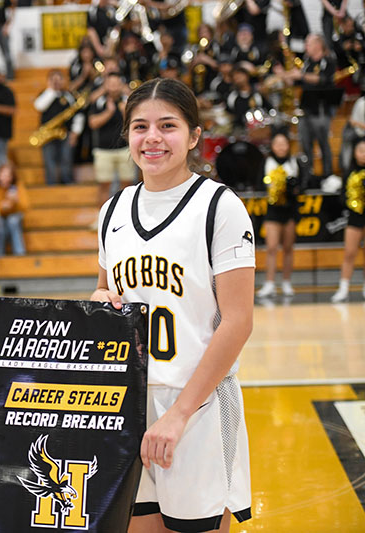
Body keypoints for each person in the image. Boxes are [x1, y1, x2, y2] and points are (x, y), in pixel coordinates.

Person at [90, 78, 254, 533]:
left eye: (168, 125)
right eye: (140, 126)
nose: (153, 138)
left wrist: (179, 414)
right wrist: (100, 302)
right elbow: (106, 293)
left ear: (194, 136)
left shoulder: (220, 207)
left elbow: (238, 323)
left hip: (196, 407)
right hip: (129, 408)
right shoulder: (113, 210)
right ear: (127, 135)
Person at [284, 34, 338, 178]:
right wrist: (285, 76)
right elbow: (299, 82)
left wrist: (300, 76)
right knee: (305, 144)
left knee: (323, 143)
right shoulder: (307, 62)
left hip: (321, 109)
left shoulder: (328, 60)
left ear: (318, 45)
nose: (305, 46)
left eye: (308, 43)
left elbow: (322, 79)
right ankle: (308, 177)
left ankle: (328, 175)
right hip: (306, 108)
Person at [257, 132, 301, 298]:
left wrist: (292, 188)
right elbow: (259, 185)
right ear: (272, 146)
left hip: (289, 210)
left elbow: (302, 184)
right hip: (272, 210)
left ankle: (287, 282)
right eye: (277, 144)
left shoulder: (294, 162)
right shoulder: (267, 162)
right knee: (271, 248)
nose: (281, 147)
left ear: (288, 145)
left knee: (288, 248)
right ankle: (269, 283)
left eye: (284, 143)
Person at [89, 72, 135, 209]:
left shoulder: (128, 101)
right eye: (110, 84)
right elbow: (93, 123)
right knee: (104, 185)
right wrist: (108, 112)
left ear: (121, 85)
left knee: (127, 186)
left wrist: (124, 111)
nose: (114, 87)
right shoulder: (98, 101)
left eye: (116, 84)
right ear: (105, 85)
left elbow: (136, 123)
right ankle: (101, 219)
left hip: (125, 149)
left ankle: (125, 217)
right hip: (103, 150)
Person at [33, 69, 85, 185]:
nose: (56, 82)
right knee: (49, 160)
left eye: (59, 79)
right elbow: (39, 106)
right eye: (53, 79)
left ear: (64, 80)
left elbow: (78, 115)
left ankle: (67, 181)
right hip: (48, 134)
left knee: (66, 159)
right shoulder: (45, 94)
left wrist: (75, 133)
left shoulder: (70, 96)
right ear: (48, 81)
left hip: (66, 133)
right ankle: (51, 184)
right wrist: (51, 90)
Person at [331, 137, 365, 302]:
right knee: (349, 253)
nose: (363, 154)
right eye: (360, 150)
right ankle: (344, 288)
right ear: (354, 153)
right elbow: (342, 196)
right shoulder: (349, 172)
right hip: (354, 216)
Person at [0, 163, 28, 256]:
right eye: (3, 175)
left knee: (13, 221)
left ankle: (19, 253)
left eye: (8, 175)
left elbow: (25, 206)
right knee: (0, 225)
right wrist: (1, 206)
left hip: (14, 214)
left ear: (12, 177)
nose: (5, 178)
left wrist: (16, 202)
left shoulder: (17, 186)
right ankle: (0, 254)